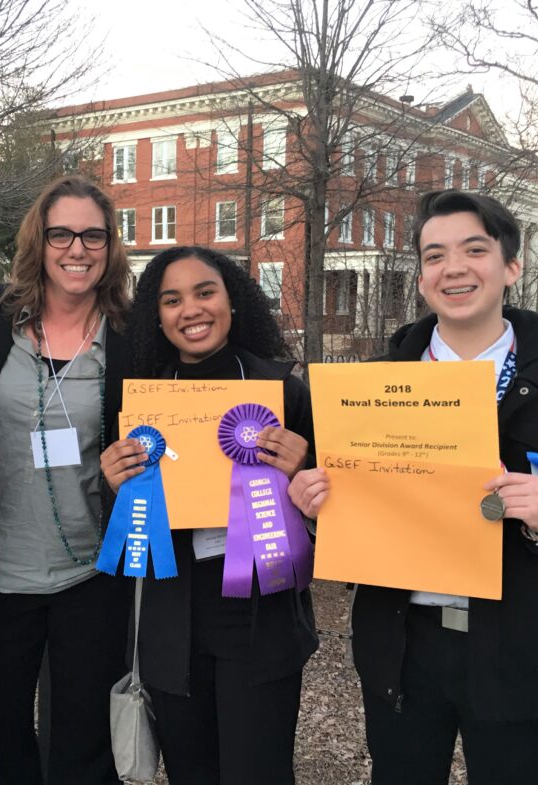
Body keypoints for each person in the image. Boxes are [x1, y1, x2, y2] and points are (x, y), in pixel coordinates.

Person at [289, 190, 538, 785]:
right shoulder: (371, 388)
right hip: (402, 652)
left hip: (525, 648)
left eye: (474, 249)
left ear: (511, 266)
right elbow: (349, 511)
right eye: (435, 256)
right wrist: (313, 509)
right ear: (422, 277)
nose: (453, 267)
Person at [100, 246, 319, 785]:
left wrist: (303, 472)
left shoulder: (285, 392)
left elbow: (332, 511)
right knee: (191, 772)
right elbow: (128, 527)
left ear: (233, 300)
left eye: (205, 292)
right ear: (157, 315)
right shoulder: (145, 403)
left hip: (259, 619)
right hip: (173, 618)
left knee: (258, 773)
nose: (190, 310)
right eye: (172, 300)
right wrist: (115, 484)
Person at [0, 175, 134, 785]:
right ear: (39, 240)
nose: (78, 248)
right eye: (61, 233)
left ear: (111, 245)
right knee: (1, 732)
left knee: (84, 741)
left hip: (91, 573)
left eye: (94, 235)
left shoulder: (130, 335)